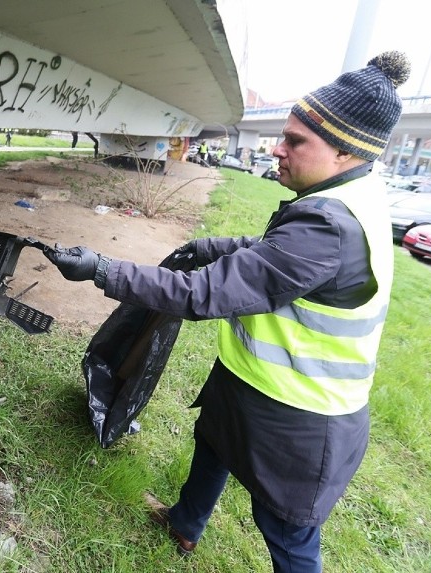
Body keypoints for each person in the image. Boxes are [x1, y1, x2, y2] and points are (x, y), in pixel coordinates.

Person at [43, 51, 411, 572]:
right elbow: (275, 253)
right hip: (253, 381)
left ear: (346, 152)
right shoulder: (348, 192)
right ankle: (184, 525)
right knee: (213, 443)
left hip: (300, 414)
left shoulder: (330, 227)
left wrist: (102, 269)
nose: (276, 150)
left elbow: (203, 295)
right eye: (283, 135)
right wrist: (212, 244)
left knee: (288, 534)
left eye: (296, 142)